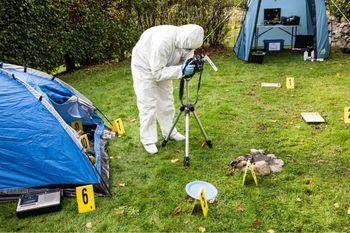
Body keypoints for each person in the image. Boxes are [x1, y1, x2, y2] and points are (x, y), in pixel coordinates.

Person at [131, 24, 204, 154]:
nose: (189, 51)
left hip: (164, 66)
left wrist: (190, 68)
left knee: (166, 100)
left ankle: (169, 131)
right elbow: (157, 73)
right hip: (144, 66)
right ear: (183, 41)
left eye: (191, 49)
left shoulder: (188, 41)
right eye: (188, 48)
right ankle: (148, 139)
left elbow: (186, 60)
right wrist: (181, 70)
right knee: (148, 103)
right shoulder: (163, 42)